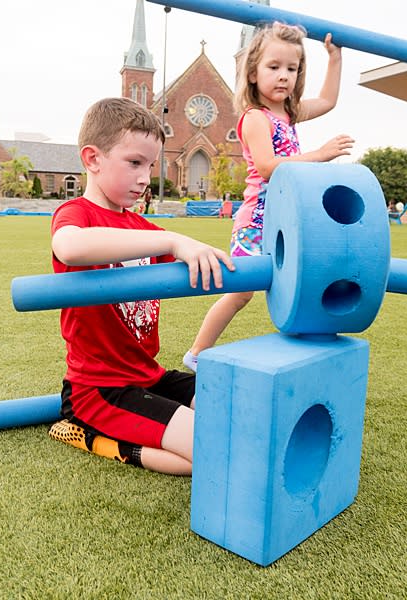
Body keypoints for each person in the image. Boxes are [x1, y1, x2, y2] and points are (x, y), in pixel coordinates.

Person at [47, 97, 234, 476]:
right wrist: (171, 242)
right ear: (92, 159)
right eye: (134, 162)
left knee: (239, 409)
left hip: (149, 376)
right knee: (215, 451)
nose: (146, 177)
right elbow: (69, 247)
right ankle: (97, 439)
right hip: (99, 391)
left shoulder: (144, 229)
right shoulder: (76, 215)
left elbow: (197, 259)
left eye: (151, 165)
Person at [182, 22, 354, 372]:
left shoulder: (289, 114)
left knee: (302, 280)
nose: (283, 76)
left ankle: (306, 346)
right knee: (241, 292)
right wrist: (320, 154)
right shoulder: (255, 118)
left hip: (286, 220)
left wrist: (334, 58)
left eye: (292, 69)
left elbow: (329, 100)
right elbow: (267, 166)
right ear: (252, 73)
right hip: (257, 221)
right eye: (274, 67)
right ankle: (197, 353)